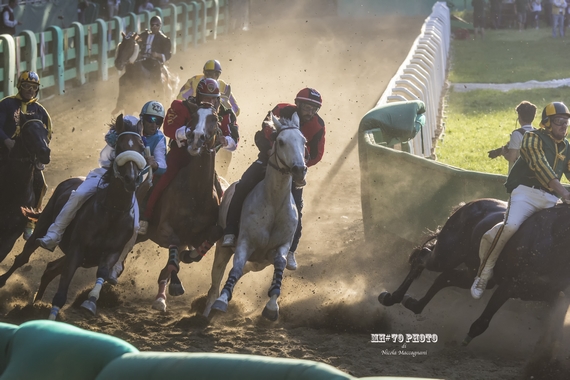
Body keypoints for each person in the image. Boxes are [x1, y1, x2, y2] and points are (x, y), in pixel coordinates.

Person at [36, 101, 167, 251]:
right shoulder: (129, 122)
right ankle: (54, 233)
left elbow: (163, 166)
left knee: (136, 226)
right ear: (142, 118)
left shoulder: (160, 139)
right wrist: (126, 140)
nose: (154, 124)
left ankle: (116, 265)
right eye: (151, 119)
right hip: (106, 173)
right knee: (79, 194)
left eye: (158, 121)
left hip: (130, 184)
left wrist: (155, 164)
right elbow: (109, 136)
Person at [471, 102, 570, 299]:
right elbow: (540, 167)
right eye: (559, 121)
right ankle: (484, 273)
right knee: (511, 227)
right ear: (547, 123)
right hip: (526, 194)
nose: (563, 126)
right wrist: (564, 192)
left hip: (551, 200)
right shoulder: (531, 138)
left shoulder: (567, 146)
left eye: (566, 122)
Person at [221, 88, 326, 271]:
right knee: (244, 184)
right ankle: (229, 231)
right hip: (269, 160)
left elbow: (317, 154)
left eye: (314, 109)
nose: (311, 113)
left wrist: (299, 165)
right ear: (298, 104)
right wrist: (271, 151)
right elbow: (264, 132)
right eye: (308, 108)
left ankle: (291, 250)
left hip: (294, 170)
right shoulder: (281, 110)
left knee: (298, 206)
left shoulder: (318, 125)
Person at [138, 78, 239, 234]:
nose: (209, 101)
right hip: (181, 154)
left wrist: (225, 140)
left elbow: (234, 140)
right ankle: (145, 216)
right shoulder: (183, 106)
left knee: (219, 190)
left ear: (218, 99)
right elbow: (168, 129)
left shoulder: (225, 113)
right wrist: (186, 132)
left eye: (213, 98)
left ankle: (219, 225)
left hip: (206, 160)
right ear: (198, 96)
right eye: (205, 97)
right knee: (163, 178)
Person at [0, 71, 52, 240]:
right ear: (19, 87)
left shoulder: (40, 110)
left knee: (41, 184)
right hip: (3, 151)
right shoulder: (6, 104)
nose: (30, 90)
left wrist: (39, 153)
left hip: (27, 158)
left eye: (34, 87)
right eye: (26, 86)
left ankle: (30, 221)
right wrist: (6, 140)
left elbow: (47, 133)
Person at [487, 101, 537, 172]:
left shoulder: (516, 134)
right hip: (533, 173)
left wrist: (503, 152)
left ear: (519, 117)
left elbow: (512, 157)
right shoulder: (537, 133)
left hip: (518, 174)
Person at [138, 16, 172, 87]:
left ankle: (158, 91)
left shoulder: (164, 39)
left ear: (160, 26)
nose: (154, 27)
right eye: (152, 25)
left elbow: (167, 55)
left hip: (154, 62)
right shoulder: (144, 35)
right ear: (150, 26)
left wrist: (157, 55)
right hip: (142, 60)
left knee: (156, 75)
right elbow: (136, 41)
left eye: (157, 25)